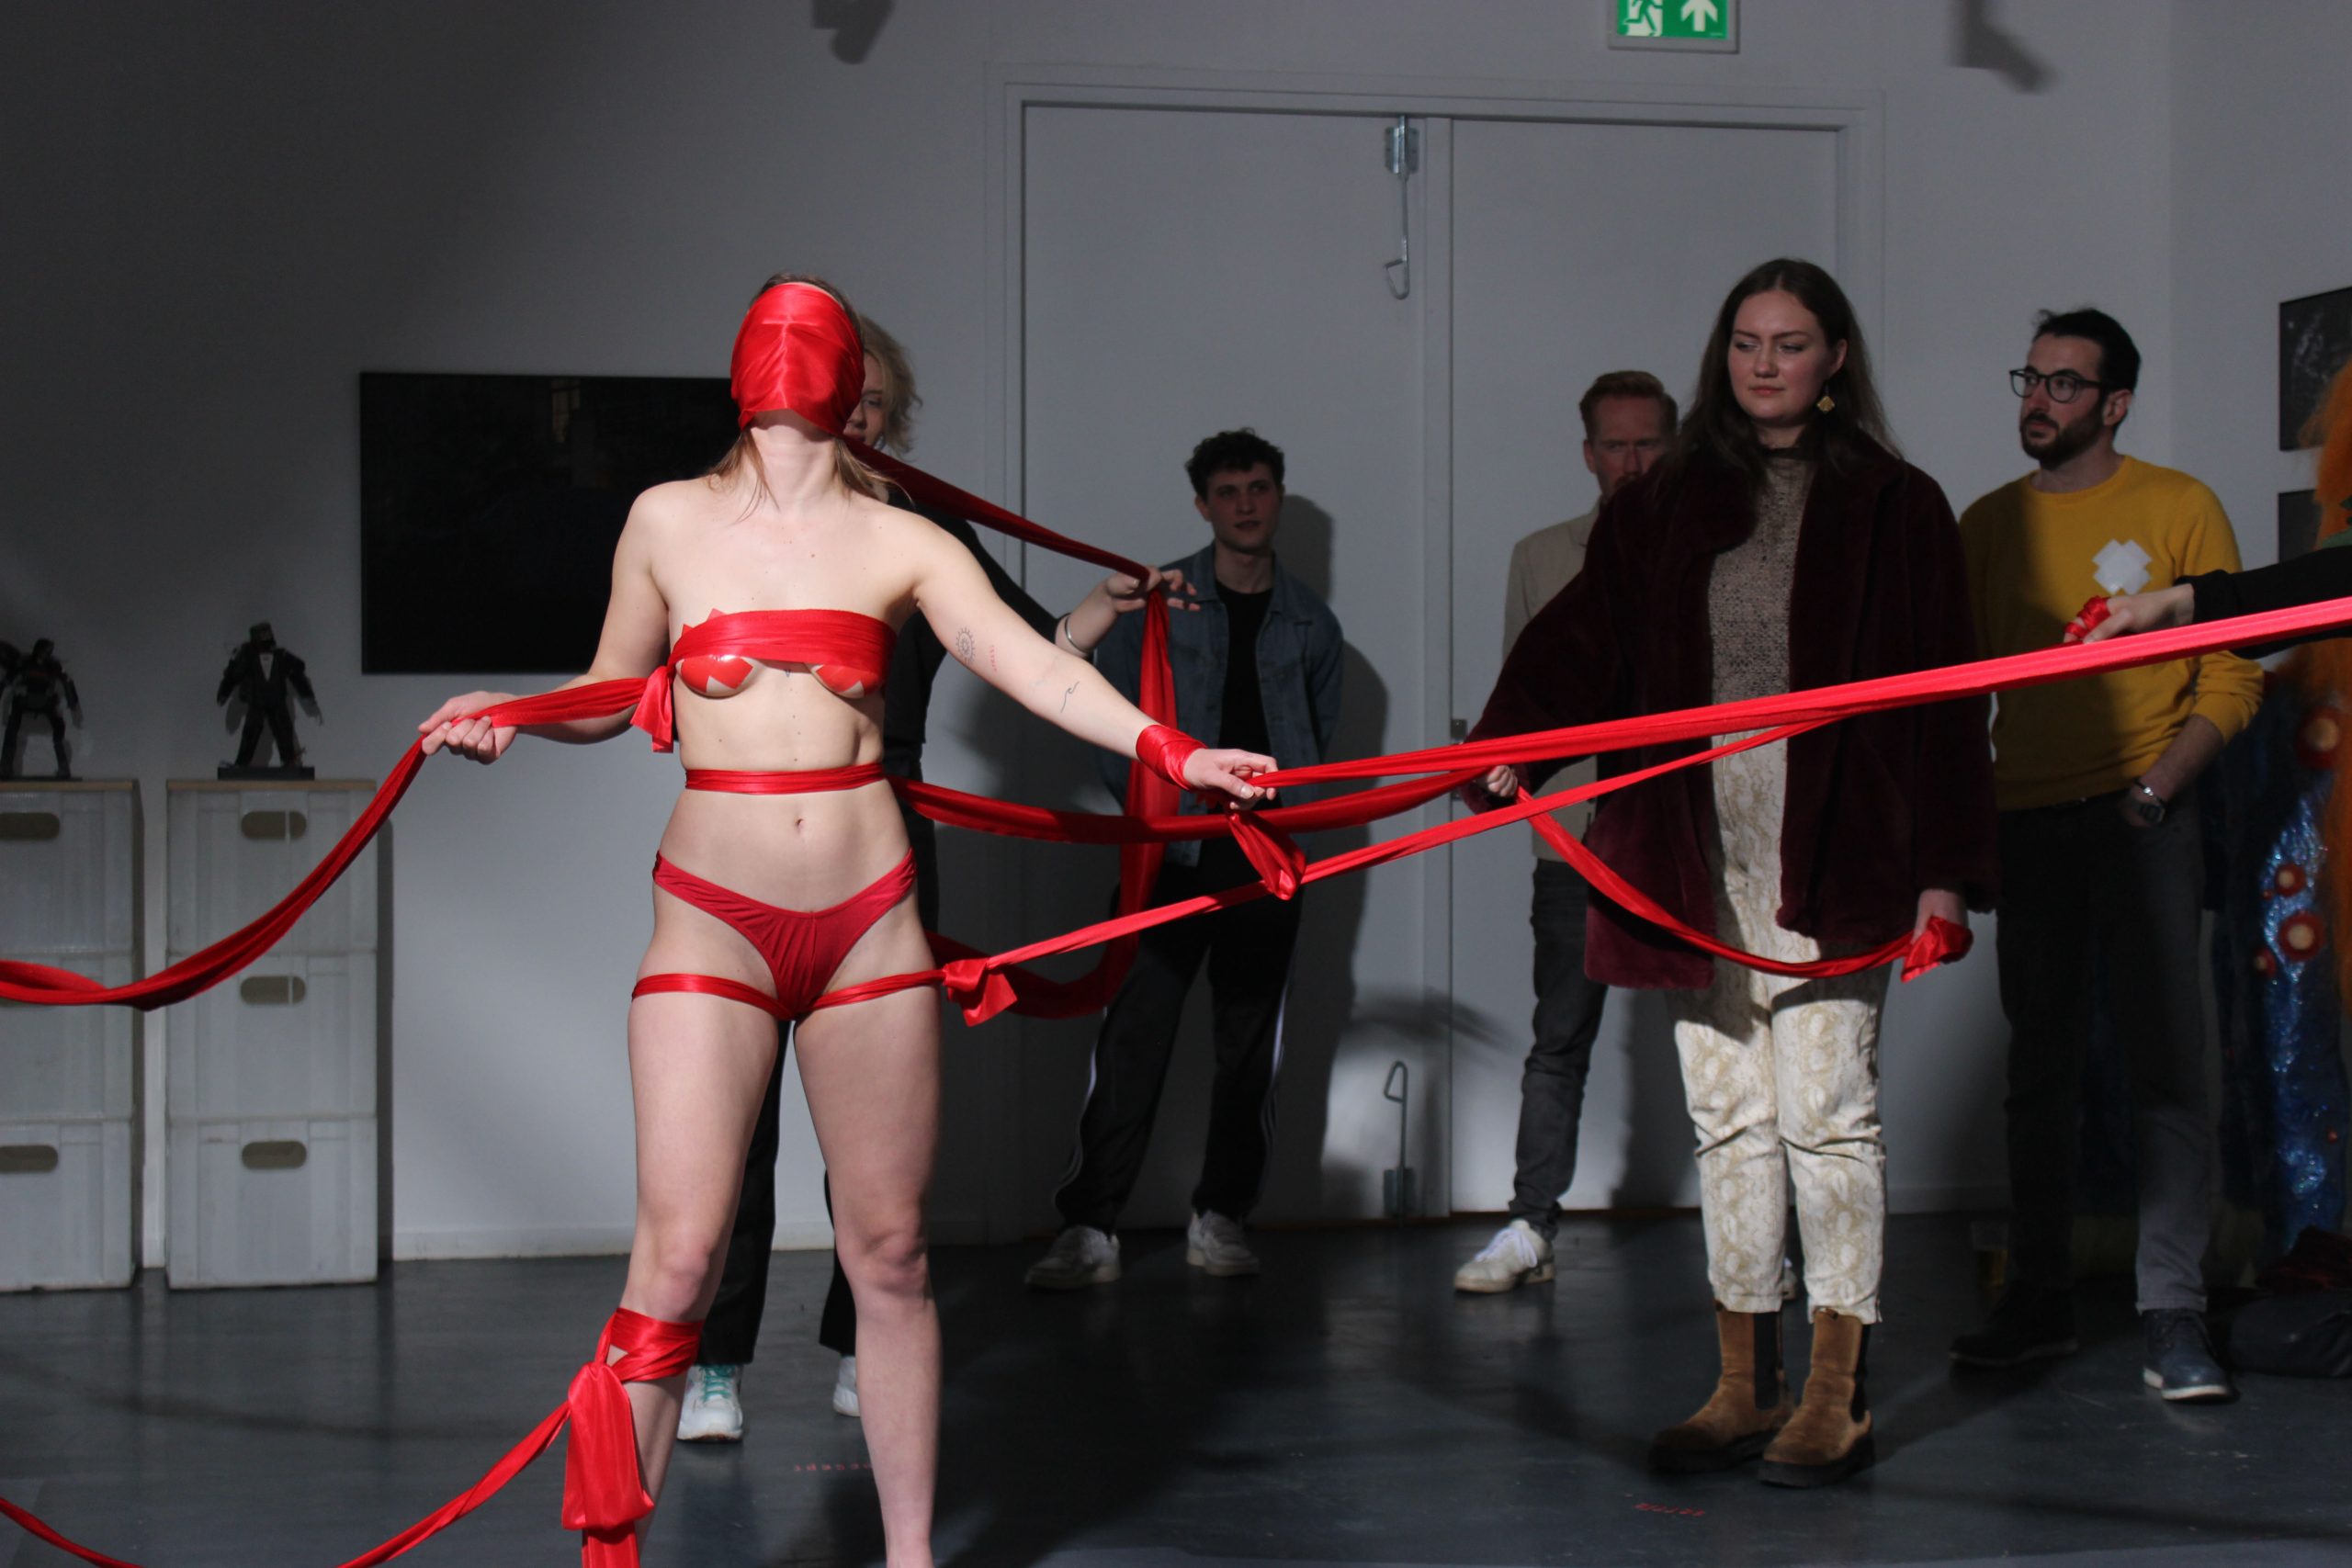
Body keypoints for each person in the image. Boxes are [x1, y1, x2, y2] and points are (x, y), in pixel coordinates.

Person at [418, 275, 1271, 1568]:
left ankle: (911, 1557)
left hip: (869, 921)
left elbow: (1032, 663)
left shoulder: (902, 539)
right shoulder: (667, 519)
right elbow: (609, 686)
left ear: (859, 390)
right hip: (712, 921)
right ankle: (612, 1552)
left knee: (890, 1250)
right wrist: (514, 712)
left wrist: (1173, 748)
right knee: (678, 1257)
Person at [1467, 259, 1996, 1487]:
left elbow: (1946, 697)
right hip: (1690, 845)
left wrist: (1944, 873)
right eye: (1748, 342)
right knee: (1728, 1117)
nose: (1765, 363)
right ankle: (1743, 1384)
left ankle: (1835, 1395)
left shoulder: (1898, 503)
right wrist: (1512, 746)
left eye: (1791, 343)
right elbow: (1584, 636)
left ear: (1835, 359)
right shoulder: (1664, 501)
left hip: (1838, 845)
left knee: (1828, 1114)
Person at [675, 316, 1190, 1442]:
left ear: (886, 414)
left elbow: (1029, 647)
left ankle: (862, 1344)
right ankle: (715, 1363)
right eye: (837, 396)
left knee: (871, 1146)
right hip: (739, 856)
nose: (851, 417)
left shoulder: (917, 527)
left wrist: (1112, 617)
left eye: (869, 402)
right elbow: (629, 670)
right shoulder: (712, 519)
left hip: (884, 839)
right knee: (732, 1129)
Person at [1951, 309, 2261, 1404]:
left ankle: (2171, 1312)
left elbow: (2233, 671)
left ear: (2115, 403)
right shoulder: (1987, 524)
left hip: (2143, 819)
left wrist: (2155, 790)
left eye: (2065, 384)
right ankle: (2036, 1301)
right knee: (2036, 1072)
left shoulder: (2180, 506)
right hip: (2027, 820)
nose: (2038, 400)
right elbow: (1956, 691)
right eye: (2029, 379)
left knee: (2165, 1066)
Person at [1025, 428, 1343, 1289]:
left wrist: (1281, 818)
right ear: (1203, 504)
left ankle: (1223, 1216)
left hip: (1264, 857)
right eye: (1228, 491)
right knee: (1133, 1035)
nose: (1246, 504)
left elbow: (1317, 741)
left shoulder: (1312, 622)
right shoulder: (1159, 601)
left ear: (1278, 495)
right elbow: (1109, 715)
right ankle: (1090, 1224)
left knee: (1250, 1048)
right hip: (1166, 855)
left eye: (1259, 487)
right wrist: (1151, 815)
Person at [1455, 370, 1676, 1293]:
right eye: (1614, 445)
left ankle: (1755, 1238)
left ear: (1673, 446)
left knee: (1724, 1039)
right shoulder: (1542, 556)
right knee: (1560, 1035)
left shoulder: (1709, 551)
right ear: (1588, 453)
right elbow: (1525, 697)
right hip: (1575, 842)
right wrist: (1499, 768)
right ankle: (1529, 1223)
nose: (1631, 463)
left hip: (1680, 837)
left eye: (1647, 443)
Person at [0, 638, 81, 780]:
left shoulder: (52, 666)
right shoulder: (25, 663)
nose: (43, 655)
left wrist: (73, 705)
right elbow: (7, 680)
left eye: (47, 652)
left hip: (44, 702)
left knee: (58, 729)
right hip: (26, 700)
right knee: (12, 728)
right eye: (43, 651)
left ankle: (63, 768)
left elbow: (67, 681)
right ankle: (5, 767)